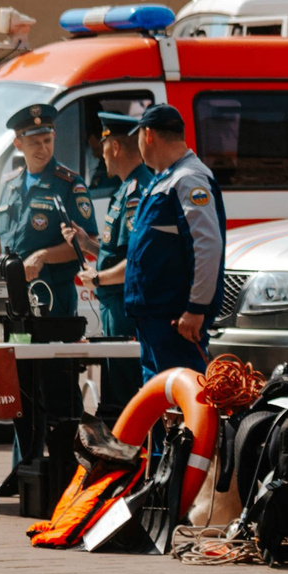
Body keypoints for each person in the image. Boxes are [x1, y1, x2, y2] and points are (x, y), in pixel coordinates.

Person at [0, 100, 99, 489]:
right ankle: (25, 472)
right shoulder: (10, 185)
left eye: (48, 139)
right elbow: (0, 239)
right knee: (22, 390)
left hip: (54, 304)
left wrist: (43, 256)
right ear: (18, 143)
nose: (43, 147)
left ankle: (67, 475)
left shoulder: (69, 185)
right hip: (16, 308)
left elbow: (88, 245)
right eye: (34, 141)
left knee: (58, 389)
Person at [122, 104, 224, 379]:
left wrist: (196, 308)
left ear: (148, 135)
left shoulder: (188, 179)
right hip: (156, 320)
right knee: (162, 402)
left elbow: (207, 245)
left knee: (185, 400)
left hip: (176, 321)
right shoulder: (165, 179)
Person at [84, 109, 150, 418]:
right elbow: (116, 249)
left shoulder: (137, 191)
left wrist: (97, 279)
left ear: (115, 147)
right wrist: (87, 244)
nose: (102, 155)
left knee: (124, 395)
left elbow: (135, 261)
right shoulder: (124, 189)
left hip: (124, 310)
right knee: (114, 392)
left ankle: (129, 458)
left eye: (103, 147)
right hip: (114, 310)